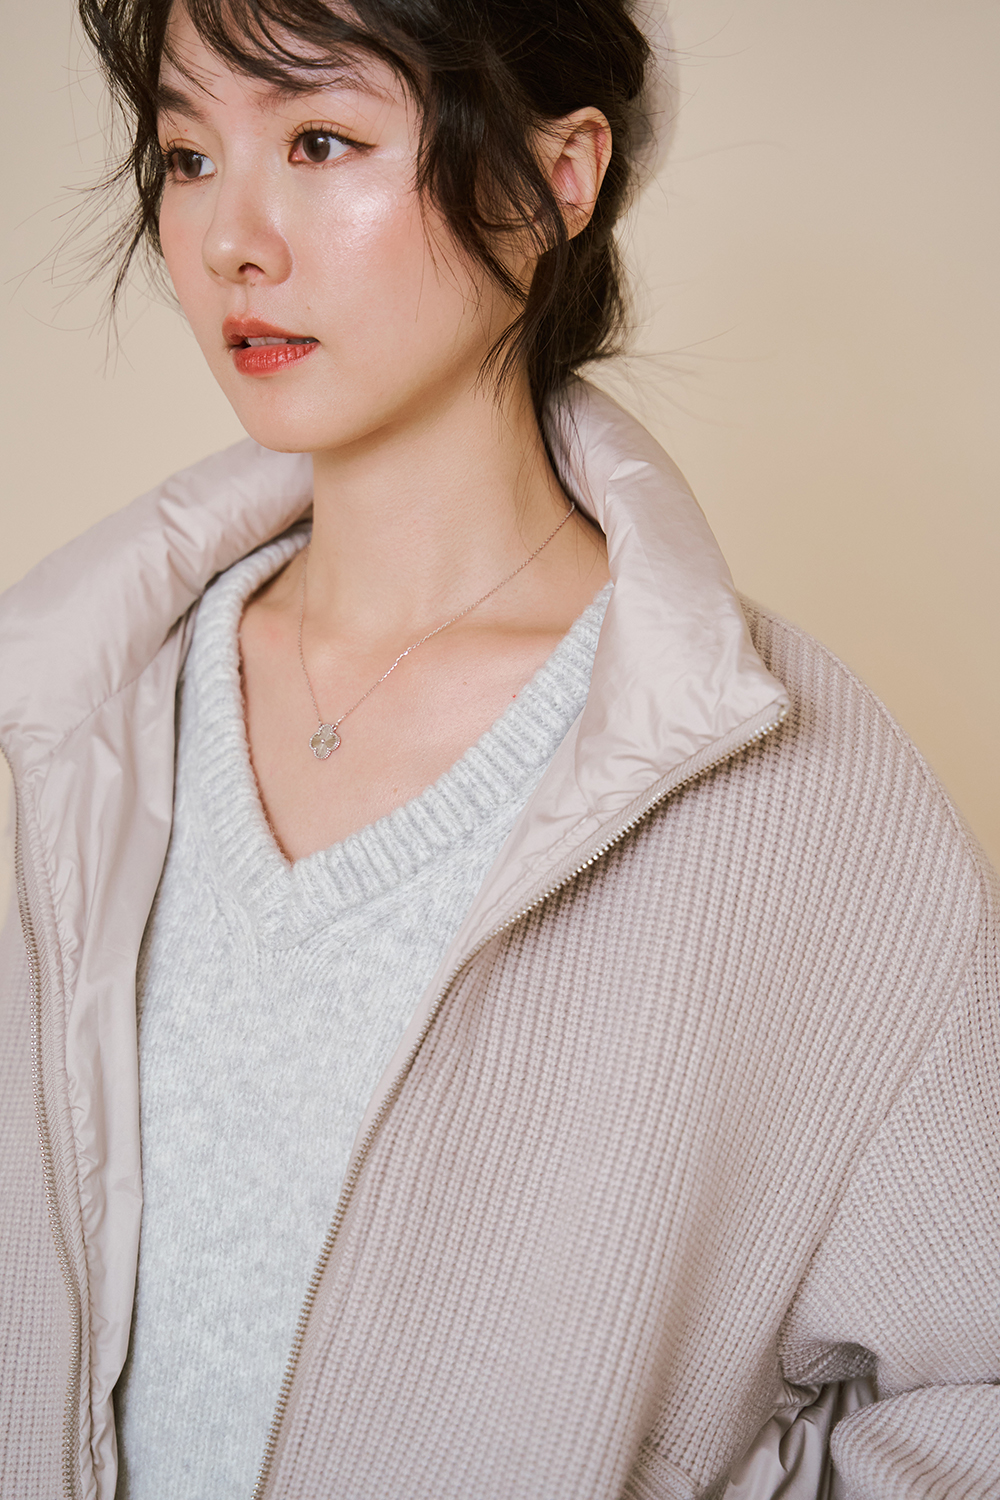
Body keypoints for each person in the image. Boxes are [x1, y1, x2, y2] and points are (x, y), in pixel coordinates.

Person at [1, 1, 997, 1497]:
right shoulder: (80, 710)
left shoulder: (798, 795)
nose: (230, 243)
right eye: (188, 156)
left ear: (557, 177)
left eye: (318, 140)